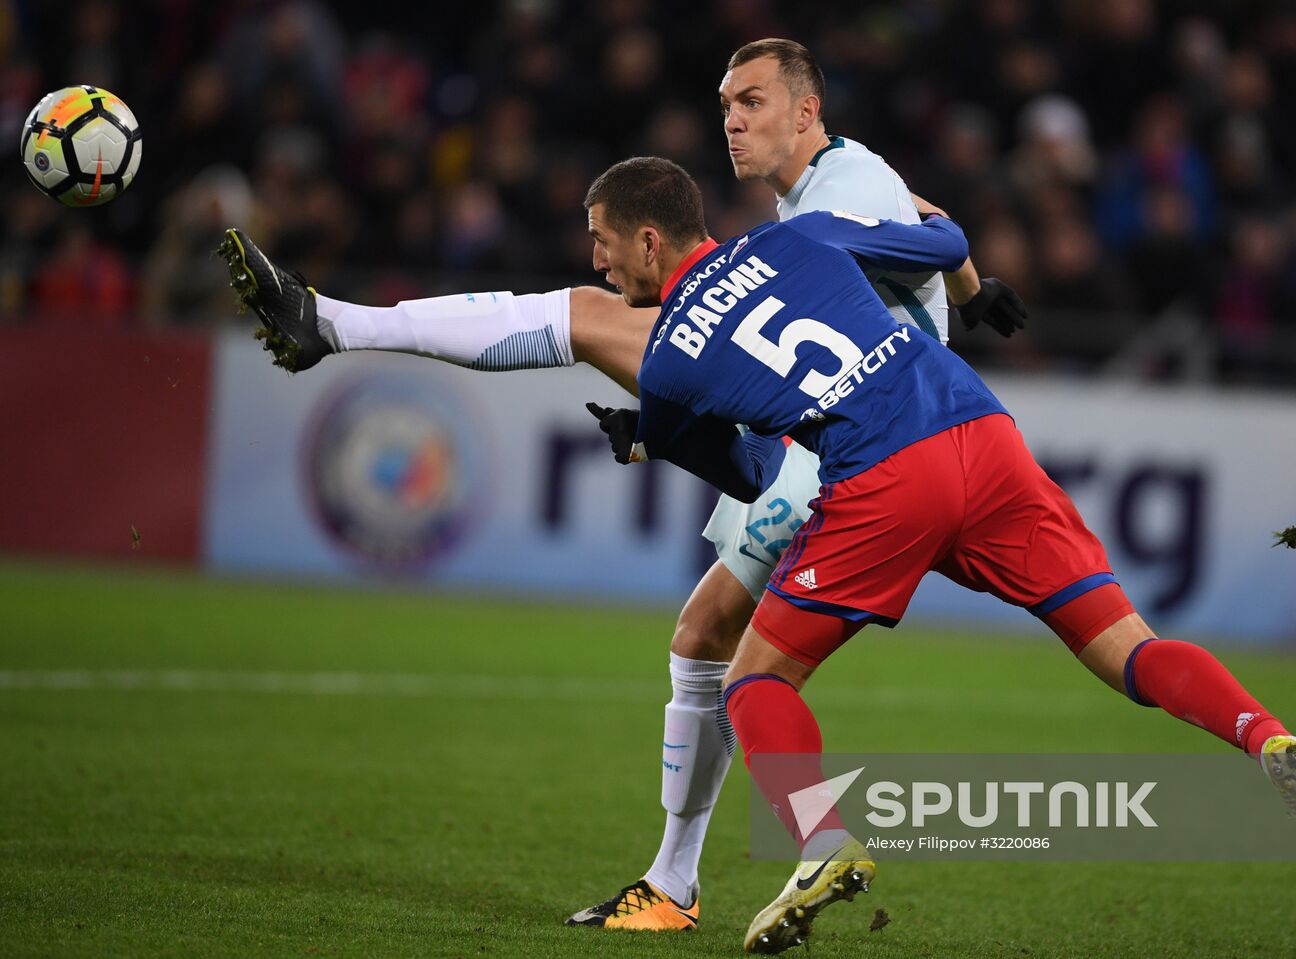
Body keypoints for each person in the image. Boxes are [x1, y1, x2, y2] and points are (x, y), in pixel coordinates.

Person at [217, 38, 1029, 932]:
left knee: (594, 331)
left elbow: (925, 231)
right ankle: (684, 877)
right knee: (707, 629)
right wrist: (975, 292)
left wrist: (953, 293)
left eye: (750, 102)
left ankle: (329, 321)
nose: (731, 119)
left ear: (806, 112)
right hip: (864, 437)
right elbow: (936, 219)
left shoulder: (811, 219)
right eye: (726, 102)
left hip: (861, 449)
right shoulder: (841, 180)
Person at [577, 155, 1296, 955]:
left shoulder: (669, 358)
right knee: (1132, 651)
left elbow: (751, 473)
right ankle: (1266, 735)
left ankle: (822, 841)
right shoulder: (803, 236)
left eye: (603, 242)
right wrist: (970, 285)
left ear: (648, 241)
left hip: (884, 473)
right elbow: (945, 238)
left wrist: (643, 441)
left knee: (753, 680)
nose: (596, 261)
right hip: (978, 429)